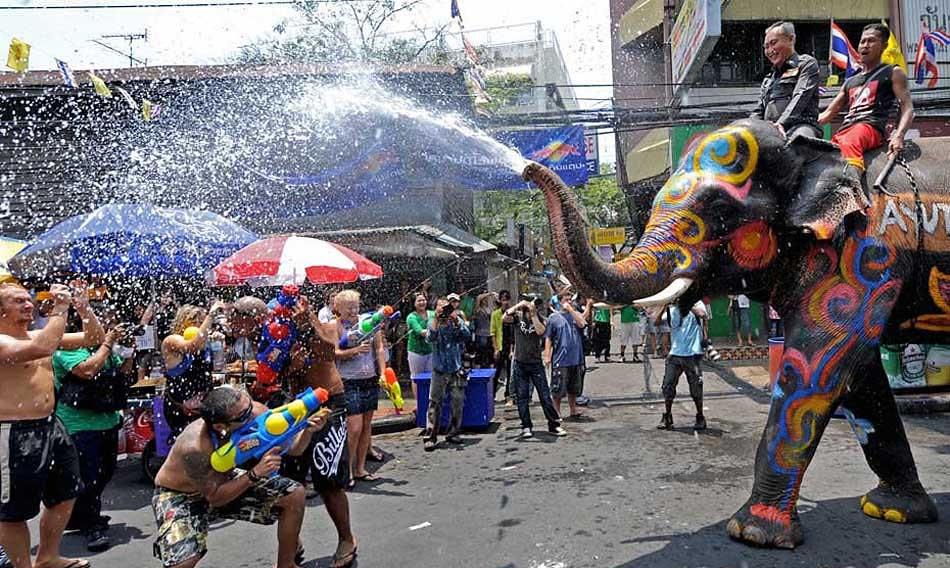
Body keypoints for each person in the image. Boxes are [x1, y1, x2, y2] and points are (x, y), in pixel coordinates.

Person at [151, 386, 327, 568]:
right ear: (221, 426)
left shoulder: (255, 412)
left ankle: (287, 563)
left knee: (293, 494)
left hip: (224, 480)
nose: (251, 415)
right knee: (183, 563)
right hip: (181, 494)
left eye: (249, 407)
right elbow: (215, 498)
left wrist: (308, 430)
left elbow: (295, 449)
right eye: (243, 416)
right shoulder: (195, 447)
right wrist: (254, 474)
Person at [0, 281, 105, 568]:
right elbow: (42, 346)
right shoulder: (4, 341)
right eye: (18, 301)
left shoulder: (38, 333)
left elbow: (94, 337)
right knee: (13, 512)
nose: (28, 304)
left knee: (67, 491)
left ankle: (47, 556)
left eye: (28, 299)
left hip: (50, 425)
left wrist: (84, 308)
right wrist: (60, 308)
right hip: (13, 431)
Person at [267, 293, 358, 568]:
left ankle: (347, 538)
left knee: (327, 477)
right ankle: (292, 543)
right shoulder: (280, 333)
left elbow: (330, 349)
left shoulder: (324, 324)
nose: (293, 311)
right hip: (295, 407)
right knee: (288, 480)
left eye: (299, 307)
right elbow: (277, 370)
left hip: (328, 402)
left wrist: (308, 321)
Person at [53, 307, 135, 552]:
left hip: (107, 420)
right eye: (102, 325)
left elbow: (124, 371)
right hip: (78, 425)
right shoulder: (66, 348)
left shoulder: (106, 348)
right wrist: (108, 343)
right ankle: (92, 525)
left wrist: (128, 349)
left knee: (106, 472)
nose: (107, 329)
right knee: (88, 477)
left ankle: (80, 515)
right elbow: (88, 370)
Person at [818, 23, 914, 203]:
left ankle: (851, 195)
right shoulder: (850, 81)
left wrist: (898, 135)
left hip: (871, 127)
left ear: (884, 46)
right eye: (862, 41)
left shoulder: (893, 72)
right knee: (825, 153)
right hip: (847, 129)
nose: (864, 45)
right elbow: (828, 113)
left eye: (871, 41)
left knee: (850, 140)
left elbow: (907, 108)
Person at [334, 290, 386, 487]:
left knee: (366, 426)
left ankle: (360, 468)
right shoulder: (336, 325)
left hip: (370, 378)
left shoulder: (369, 321)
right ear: (338, 309)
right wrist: (354, 350)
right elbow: (335, 353)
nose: (354, 311)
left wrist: (383, 373)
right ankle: (346, 470)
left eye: (356, 306)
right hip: (349, 380)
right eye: (349, 308)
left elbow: (379, 348)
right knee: (353, 428)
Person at [161, 301, 226, 440]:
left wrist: (218, 345)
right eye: (197, 321)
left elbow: (218, 367)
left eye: (202, 322)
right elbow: (193, 346)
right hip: (181, 407)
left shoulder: (204, 342)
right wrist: (211, 314)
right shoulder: (172, 340)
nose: (201, 326)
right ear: (184, 322)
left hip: (202, 406)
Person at [505, 298, 565, 438]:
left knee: (544, 395)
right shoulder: (517, 317)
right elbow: (504, 317)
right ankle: (526, 426)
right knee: (522, 396)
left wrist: (533, 315)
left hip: (536, 363)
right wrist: (519, 305)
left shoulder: (542, 319)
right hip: (520, 363)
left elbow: (540, 332)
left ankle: (553, 425)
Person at [751, 21, 822, 138]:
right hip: (770, 131)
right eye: (766, 47)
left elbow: (800, 96)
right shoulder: (768, 79)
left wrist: (781, 123)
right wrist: (746, 128)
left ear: (791, 39)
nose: (770, 50)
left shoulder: (806, 64)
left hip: (801, 126)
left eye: (773, 43)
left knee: (798, 142)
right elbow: (758, 112)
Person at [424, 297, 472, 451]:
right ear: (435, 308)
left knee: (457, 402)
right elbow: (430, 337)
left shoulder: (455, 320)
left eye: (446, 307)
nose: (443, 309)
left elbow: (466, 336)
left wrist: (456, 320)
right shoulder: (433, 321)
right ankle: (430, 435)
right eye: (440, 306)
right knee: (434, 403)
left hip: (456, 368)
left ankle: (453, 432)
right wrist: (437, 321)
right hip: (439, 369)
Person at [655, 302, 708, 431]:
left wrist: (686, 302)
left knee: (696, 387)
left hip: (693, 354)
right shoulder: (671, 309)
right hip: (675, 354)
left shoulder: (697, 303)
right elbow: (656, 322)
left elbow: (702, 314)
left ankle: (700, 416)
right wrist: (664, 306)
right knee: (668, 385)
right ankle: (667, 416)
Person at [544, 288, 589, 420]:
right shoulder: (553, 318)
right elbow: (548, 337)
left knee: (574, 387)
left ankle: (573, 409)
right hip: (561, 358)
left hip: (575, 358)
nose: (568, 302)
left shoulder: (575, 315)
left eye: (570, 300)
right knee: (558, 388)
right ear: (559, 302)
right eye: (565, 300)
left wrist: (571, 310)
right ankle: (557, 411)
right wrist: (547, 355)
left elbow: (582, 324)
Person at [406, 293, 433, 402]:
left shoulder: (432, 314)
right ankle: (419, 403)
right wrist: (435, 332)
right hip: (416, 351)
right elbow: (419, 331)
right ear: (414, 303)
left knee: (431, 377)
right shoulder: (411, 317)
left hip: (430, 350)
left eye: (423, 300)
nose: (422, 302)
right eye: (419, 301)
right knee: (416, 377)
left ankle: (430, 401)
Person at [490, 290, 512, 402]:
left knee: (510, 372)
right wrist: (496, 349)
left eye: (507, 300)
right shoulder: (495, 314)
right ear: (500, 301)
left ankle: (508, 395)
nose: (505, 302)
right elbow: (492, 333)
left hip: (510, 347)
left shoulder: (513, 313)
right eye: (503, 300)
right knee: (497, 371)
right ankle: (492, 394)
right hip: (500, 346)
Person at [471, 291, 495, 368]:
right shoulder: (478, 309)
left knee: (489, 353)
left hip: (489, 333)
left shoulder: (489, 309)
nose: (485, 300)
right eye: (484, 298)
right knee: (481, 353)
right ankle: (479, 369)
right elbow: (478, 298)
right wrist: (489, 293)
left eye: (486, 299)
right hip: (481, 334)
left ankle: (488, 369)